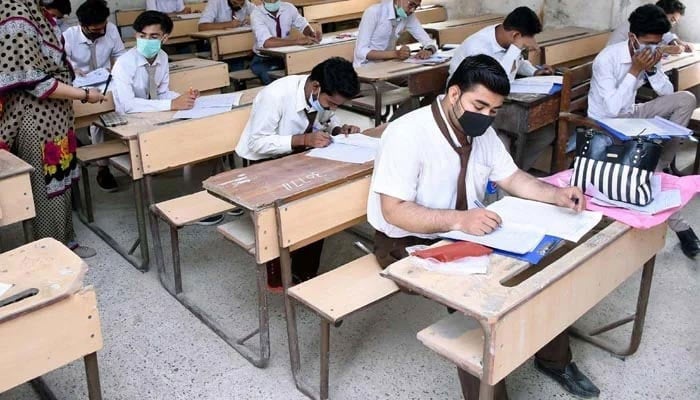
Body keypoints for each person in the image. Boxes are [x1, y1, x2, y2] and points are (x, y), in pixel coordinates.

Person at [368, 54, 600, 399]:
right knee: (481, 302)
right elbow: (394, 211)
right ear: (454, 93)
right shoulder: (408, 133)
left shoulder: (481, 132)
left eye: (494, 110)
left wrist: (555, 195)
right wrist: (460, 220)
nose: (486, 117)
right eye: (480, 105)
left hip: (463, 230)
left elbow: (513, 177)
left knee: (540, 271)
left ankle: (554, 360)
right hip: (408, 242)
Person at [235, 57, 361, 289]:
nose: (333, 108)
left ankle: (303, 275)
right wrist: (302, 139)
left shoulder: (319, 98)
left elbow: (325, 118)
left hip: (297, 157)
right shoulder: (276, 96)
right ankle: (278, 271)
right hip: (263, 163)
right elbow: (256, 144)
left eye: (337, 105)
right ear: (316, 87)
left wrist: (338, 128)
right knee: (295, 208)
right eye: (331, 102)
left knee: (319, 201)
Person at [588, 4, 698, 259]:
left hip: (631, 113)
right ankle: (681, 226)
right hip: (607, 122)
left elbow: (666, 93)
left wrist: (651, 70)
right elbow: (612, 109)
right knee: (650, 167)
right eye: (647, 43)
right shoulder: (607, 59)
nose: (652, 49)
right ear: (632, 38)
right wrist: (634, 71)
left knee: (685, 99)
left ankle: (661, 162)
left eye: (657, 44)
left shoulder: (650, 54)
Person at [0, 0, 106, 257]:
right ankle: (51, 254)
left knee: (59, 181)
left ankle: (65, 244)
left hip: (55, 116)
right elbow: (33, 79)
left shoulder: (33, 9)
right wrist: (83, 95)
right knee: (45, 188)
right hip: (36, 118)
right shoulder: (14, 9)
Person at [448, 6, 555, 171]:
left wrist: (535, 71)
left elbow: (516, 62)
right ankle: (501, 180)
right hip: (473, 106)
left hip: (499, 104)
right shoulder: (479, 46)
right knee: (502, 141)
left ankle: (515, 173)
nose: (532, 43)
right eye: (529, 39)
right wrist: (516, 48)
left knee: (545, 133)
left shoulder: (508, 41)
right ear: (515, 35)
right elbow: (496, 84)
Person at [64, 0, 126, 192]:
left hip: (106, 80)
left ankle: (134, 153)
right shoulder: (69, 36)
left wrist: (116, 69)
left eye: (102, 28)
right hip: (80, 86)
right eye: (94, 30)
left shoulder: (111, 30)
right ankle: (103, 167)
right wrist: (74, 69)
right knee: (96, 118)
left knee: (125, 103)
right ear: (82, 25)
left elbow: (120, 55)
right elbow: (62, 62)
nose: (100, 33)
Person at [250, 0, 321, 85]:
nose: (272, 1)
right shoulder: (256, 14)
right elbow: (267, 42)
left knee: (304, 71)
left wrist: (311, 34)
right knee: (273, 81)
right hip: (264, 59)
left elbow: (302, 24)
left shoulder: (288, 8)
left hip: (285, 56)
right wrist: (297, 41)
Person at [353, 0, 437, 67]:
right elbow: (361, 51)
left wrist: (428, 51)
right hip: (366, 68)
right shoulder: (374, 12)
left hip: (389, 65)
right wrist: (395, 54)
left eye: (416, 7)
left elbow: (429, 42)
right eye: (411, 4)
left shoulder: (408, 16)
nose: (412, 10)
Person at [607, 0, 693, 54]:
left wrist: (682, 44)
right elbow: (641, 48)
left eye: (675, 22)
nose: (672, 24)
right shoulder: (640, 22)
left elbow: (667, 35)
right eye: (672, 19)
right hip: (617, 62)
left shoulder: (654, 23)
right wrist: (665, 49)